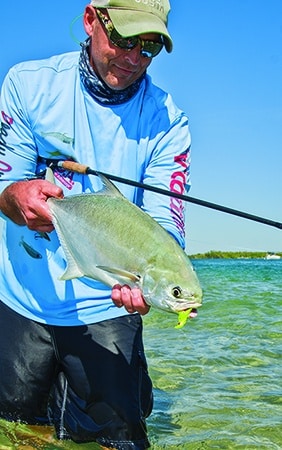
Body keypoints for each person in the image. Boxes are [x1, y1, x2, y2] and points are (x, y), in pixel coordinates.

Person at [0, 1, 191, 449]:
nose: (132, 58)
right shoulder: (28, 85)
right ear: (91, 20)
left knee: (120, 440)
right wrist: (16, 198)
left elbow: (166, 221)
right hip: (23, 298)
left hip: (109, 301)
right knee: (18, 431)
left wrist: (154, 282)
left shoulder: (168, 121)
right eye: (124, 40)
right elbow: (6, 184)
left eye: (148, 49)